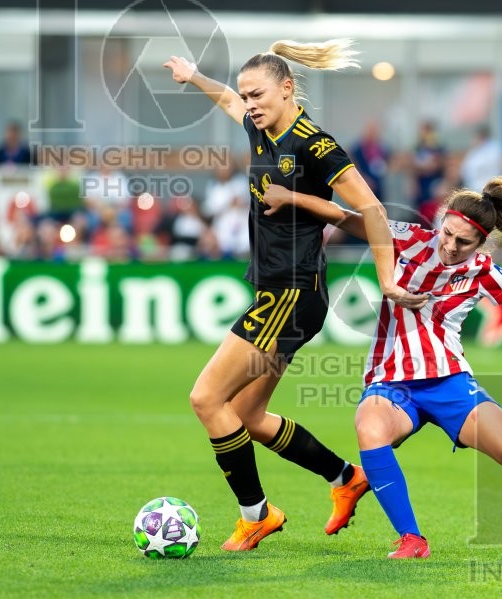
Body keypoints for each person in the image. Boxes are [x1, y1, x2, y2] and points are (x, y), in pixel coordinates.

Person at [262, 175, 502, 559]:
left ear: (481, 242)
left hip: (449, 382)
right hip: (391, 382)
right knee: (369, 429)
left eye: (463, 241)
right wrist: (291, 195)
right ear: (441, 222)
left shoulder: (482, 270)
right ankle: (412, 539)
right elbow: (343, 215)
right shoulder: (405, 237)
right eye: (448, 234)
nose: (451, 245)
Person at [163, 40, 426, 552]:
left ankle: (256, 516)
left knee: (205, 399)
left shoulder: (316, 145)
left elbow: (371, 211)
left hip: (291, 293)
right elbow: (227, 101)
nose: (250, 103)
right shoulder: (260, 124)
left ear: (287, 89)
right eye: (247, 95)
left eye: (258, 94)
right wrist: (194, 75)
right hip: (283, 293)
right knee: (248, 416)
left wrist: (388, 279)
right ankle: (345, 477)